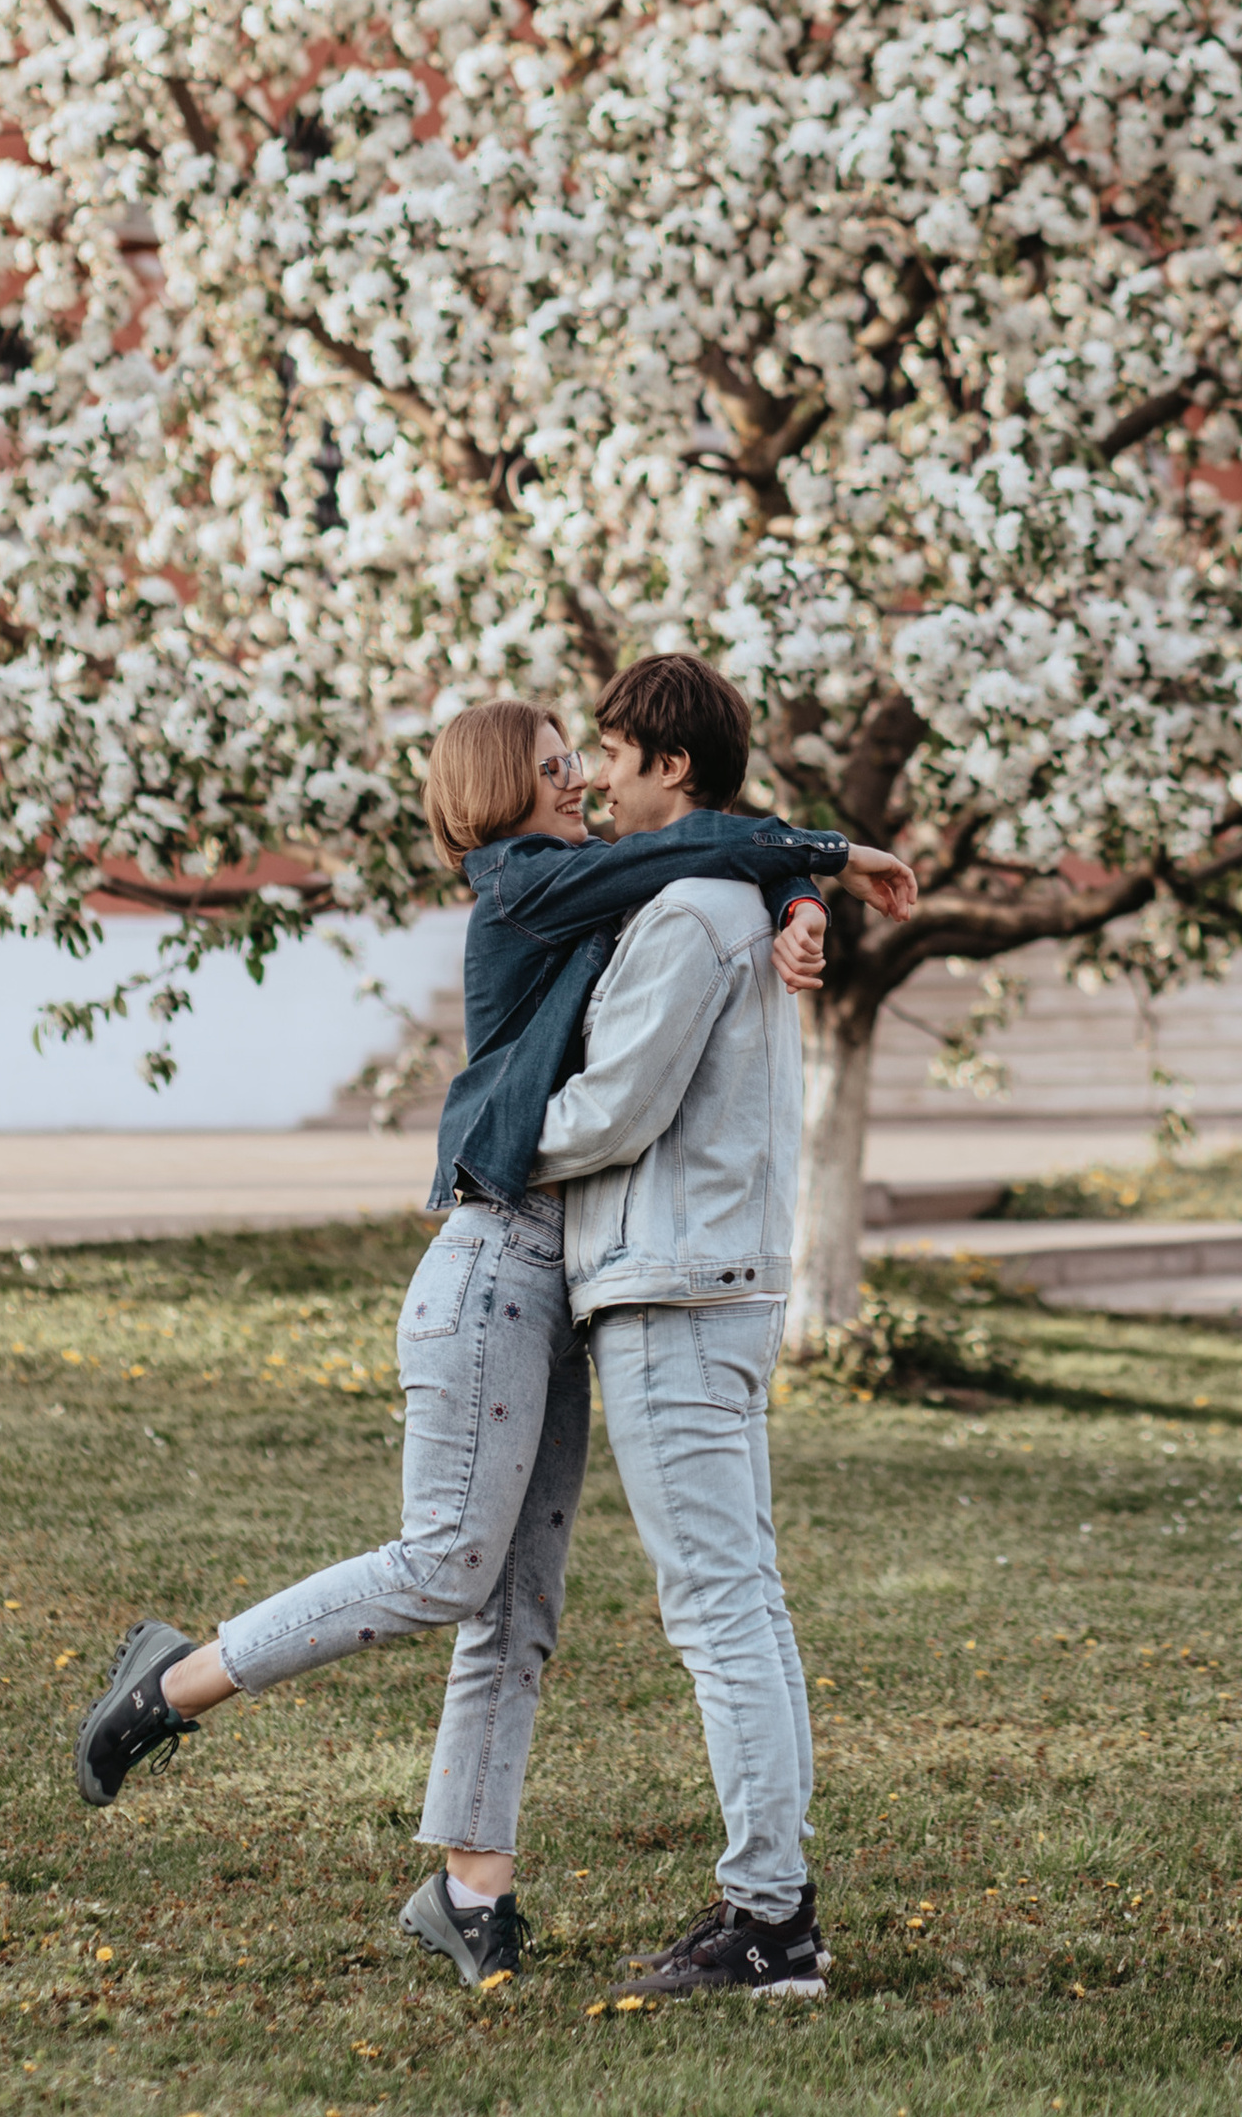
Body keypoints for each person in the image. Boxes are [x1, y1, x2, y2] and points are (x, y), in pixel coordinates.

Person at [70, 670, 915, 1995]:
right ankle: (179, 1681)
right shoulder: (524, 884)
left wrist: (802, 891)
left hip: (573, 1261)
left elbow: (711, 857)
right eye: (561, 762)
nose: (584, 775)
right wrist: (800, 870)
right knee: (454, 1566)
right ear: (505, 792)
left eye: (601, 756)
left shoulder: (627, 888)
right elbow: (704, 868)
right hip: (504, 1243)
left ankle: (475, 1893)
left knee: (515, 1601)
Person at [520, 673, 862, 2001]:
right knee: (743, 1600)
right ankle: (774, 1910)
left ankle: (770, 1922)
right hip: (707, 1283)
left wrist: (487, 1148)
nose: (597, 778)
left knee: (720, 1609)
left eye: (610, 752)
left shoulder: (686, 915)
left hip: (673, 1291)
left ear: (672, 765)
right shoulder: (734, 902)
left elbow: (615, 1112)